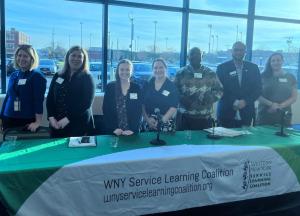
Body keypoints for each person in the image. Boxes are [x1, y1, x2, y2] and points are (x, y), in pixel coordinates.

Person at [46, 46, 95, 138]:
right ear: (68, 57)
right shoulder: (58, 75)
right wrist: (51, 117)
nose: (76, 58)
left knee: (75, 152)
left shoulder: (87, 77)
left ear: (84, 60)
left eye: (79, 56)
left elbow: (86, 103)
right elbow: (50, 98)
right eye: (73, 55)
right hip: (56, 123)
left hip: (78, 124)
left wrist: (67, 119)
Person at [175, 47, 223, 130]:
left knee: (202, 143)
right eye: (192, 54)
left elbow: (220, 90)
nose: (195, 56)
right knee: (182, 142)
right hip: (184, 117)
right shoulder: (180, 73)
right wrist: (183, 99)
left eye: (198, 54)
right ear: (188, 57)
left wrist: (210, 98)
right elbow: (173, 91)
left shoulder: (210, 73)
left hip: (204, 119)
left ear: (202, 56)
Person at [0, 44, 46, 132]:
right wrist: (1, 117)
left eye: (25, 56)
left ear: (32, 58)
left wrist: (38, 122)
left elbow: (38, 100)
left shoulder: (37, 76)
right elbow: (7, 97)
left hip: (26, 120)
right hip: (8, 117)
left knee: (24, 145)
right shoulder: (14, 75)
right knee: (9, 145)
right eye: (19, 55)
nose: (21, 58)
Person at [216, 41, 262, 128]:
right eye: (236, 50)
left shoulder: (253, 68)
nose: (238, 52)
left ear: (245, 52)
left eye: (241, 50)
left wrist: (245, 101)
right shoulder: (222, 68)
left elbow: (258, 89)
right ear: (231, 51)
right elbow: (219, 89)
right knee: (224, 140)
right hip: (226, 112)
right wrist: (234, 101)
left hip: (246, 112)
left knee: (244, 140)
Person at [103, 59, 142, 135]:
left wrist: (132, 129)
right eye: (122, 69)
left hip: (131, 131)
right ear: (118, 71)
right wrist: (114, 128)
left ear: (131, 71)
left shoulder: (136, 88)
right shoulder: (110, 87)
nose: (125, 72)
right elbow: (106, 109)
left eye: (127, 69)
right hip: (114, 131)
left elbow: (139, 110)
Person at [257, 53, 297, 126]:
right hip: (265, 114)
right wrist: (271, 104)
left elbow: (294, 97)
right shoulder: (262, 76)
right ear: (270, 62)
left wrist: (279, 106)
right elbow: (257, 95)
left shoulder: (291, 77)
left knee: (282, 136)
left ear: (282, 61)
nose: (276, 62)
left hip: (284, 115)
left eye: (278, 60)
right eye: (273, 60)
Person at [142, 58, 179, 132]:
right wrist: (147, 119)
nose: (158, 70)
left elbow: (174, 106)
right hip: (148, 122)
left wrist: (161, 121)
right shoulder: (147, 84)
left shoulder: (171, 86)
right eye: (155, 68)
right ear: (152, 69)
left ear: (165, 68)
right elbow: (142, 104)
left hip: (165, 122)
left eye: (161, 67)